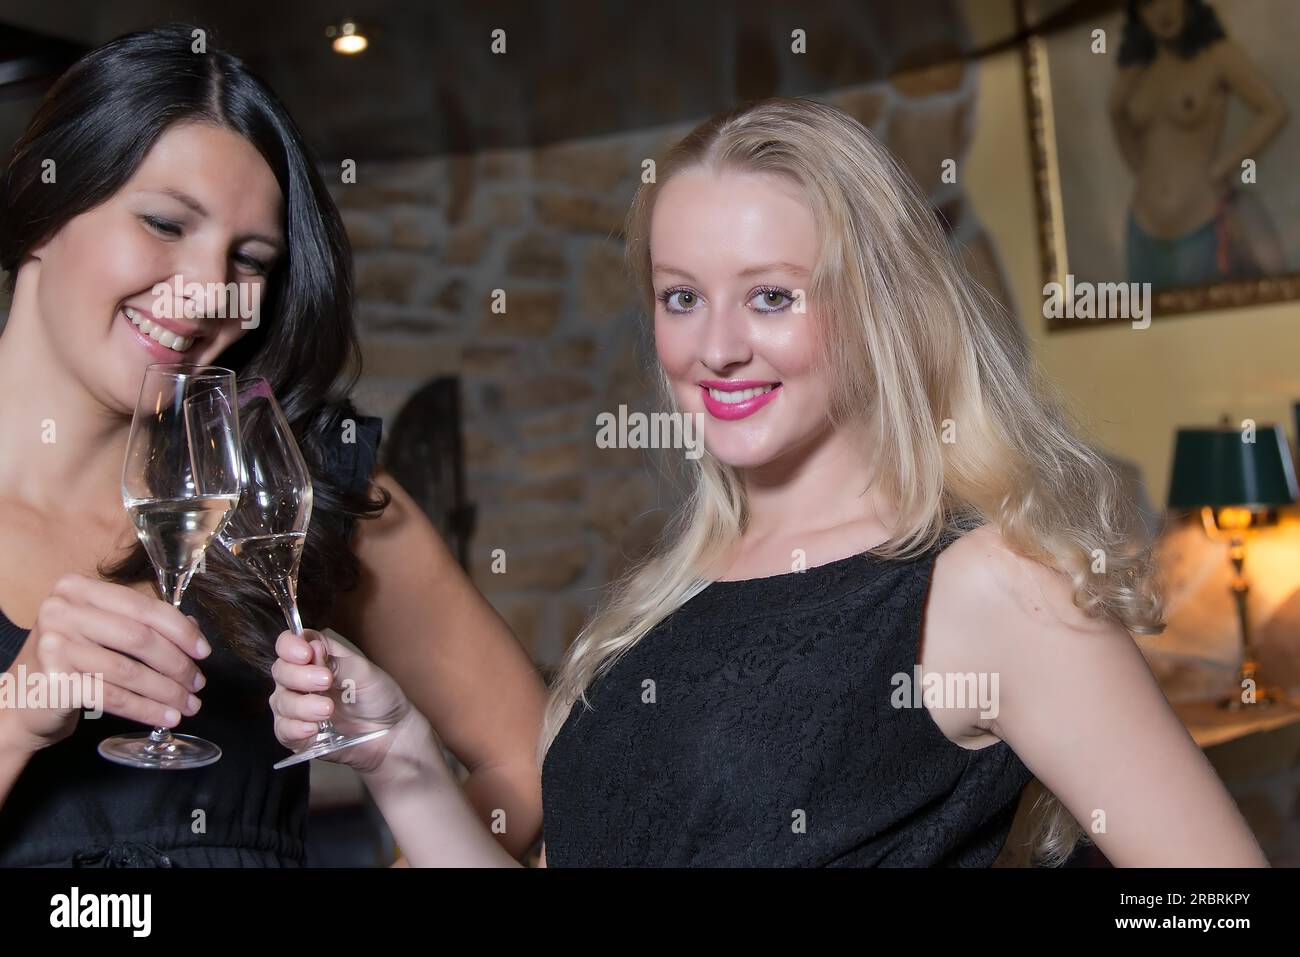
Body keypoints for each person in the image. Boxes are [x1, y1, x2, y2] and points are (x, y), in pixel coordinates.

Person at [270, 96, 1269, 867]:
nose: (716, 348)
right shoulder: (677, 591)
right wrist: (397, 753)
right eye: (680, 297)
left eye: (772, 296)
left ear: (876, 307)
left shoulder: (981, 586)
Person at [0, 25, 544, 866]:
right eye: (163, 222)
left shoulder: (295, 484)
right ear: (44, 209)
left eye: (248, 259)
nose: (208, 292)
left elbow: (528, 754)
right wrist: (14, 717)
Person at [1110, 0, 1288, 289]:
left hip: (1201, 220)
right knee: (1143, 330)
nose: (1162, 11)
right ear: (1137, 13)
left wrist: (1222, 168)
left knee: (1211, 325)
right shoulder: (1136, 70)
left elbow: (1274, 110)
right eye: (1148, 3)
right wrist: (1115, 113)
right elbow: (1136, 158)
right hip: (1142, 226)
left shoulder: (1218, 56)